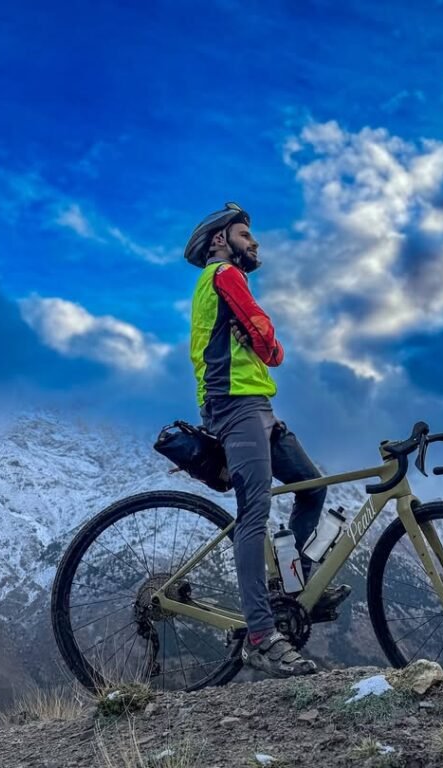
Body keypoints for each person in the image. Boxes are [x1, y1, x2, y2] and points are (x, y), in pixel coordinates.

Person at [185, 202, 350, 678]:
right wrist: (269, 344)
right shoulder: (225, 276)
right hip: (235, 406)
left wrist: (262, 343)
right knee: (254, 515)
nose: (254, 242)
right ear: (220, 240)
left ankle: (292, 590)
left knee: (311, 487)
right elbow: (269, 342)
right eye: (245, 234)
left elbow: (259, 340)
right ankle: (260, 636)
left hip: (256, 406)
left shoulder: (224, 282)